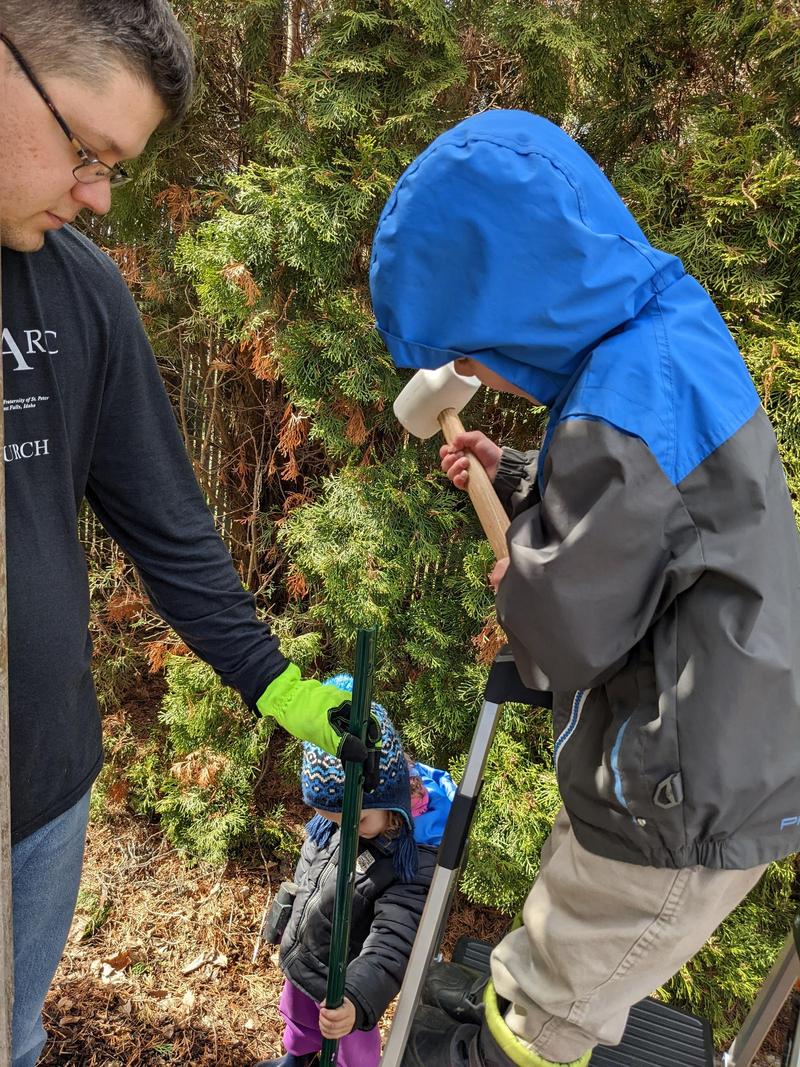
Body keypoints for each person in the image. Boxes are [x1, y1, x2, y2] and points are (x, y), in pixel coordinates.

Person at [368, 108, 800, 1067]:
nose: (473, 377)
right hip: (697, 757)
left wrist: (523, 581)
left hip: (678, 793)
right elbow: (659, 516)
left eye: (472, 354)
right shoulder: (657, 343)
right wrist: (520, 477)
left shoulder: (620, 407)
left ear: (513, 304)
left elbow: (562, 631)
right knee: (559, 950)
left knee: (546, 1002)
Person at [1, 5, 374, 1064]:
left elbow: (166, 526)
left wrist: (280, 685)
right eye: (85, 151)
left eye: (114, 165)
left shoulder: (82, 293)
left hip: (39, 799)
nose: (99, 195)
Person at [254, 678, 450, 1067]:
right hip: (308, 952)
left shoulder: (411, 857)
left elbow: (395, 938)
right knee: (298, 1013)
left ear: (388, 796)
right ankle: (297, 1055)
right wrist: (288, 908)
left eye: (355, 821)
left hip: (349, 981)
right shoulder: (344, 816)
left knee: (350, 1046)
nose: (344, 830)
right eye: (331, 820)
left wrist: (357, 998)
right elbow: (311, 867)